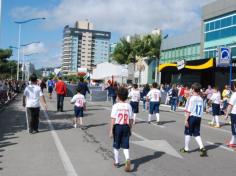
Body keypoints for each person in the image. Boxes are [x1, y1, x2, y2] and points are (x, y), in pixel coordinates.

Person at [109, 87, 133, 172]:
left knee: (116, 145)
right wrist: (130, 128)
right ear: (126, 96)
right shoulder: (129, 106)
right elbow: (131, 119)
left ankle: (117, 162)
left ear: (118, 96)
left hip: (118, 127)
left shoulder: (115, 106)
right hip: (126, 126)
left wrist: (111, 130)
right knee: (125, 145)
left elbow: (113, 118)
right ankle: (127, 159)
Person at [180, 83, 207, 157]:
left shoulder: (192, 98)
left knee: (187, 132)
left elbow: (189, 110)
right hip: (198, 117)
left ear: (194, 89)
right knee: (196, 133)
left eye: (192, 89)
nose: (191, 90)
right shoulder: (201, 99)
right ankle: (202, 147)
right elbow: (201, 111)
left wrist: (186, 120)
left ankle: (186, 148)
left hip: (192, 117)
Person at [225, 82, 236, 148]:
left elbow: (230, 105)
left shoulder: (234, 94)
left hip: (235, 113)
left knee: (234, 128)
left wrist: (226, 114)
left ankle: (232, 142)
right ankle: (232, 141)